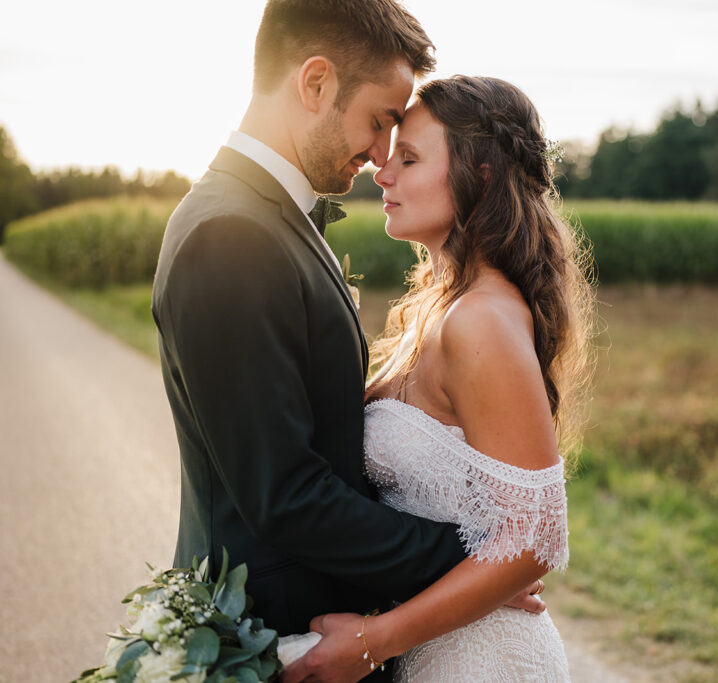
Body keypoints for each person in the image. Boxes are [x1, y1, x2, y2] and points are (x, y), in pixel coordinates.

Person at [152, 2, 543, 681]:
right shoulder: (231, 234)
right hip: (265, 633)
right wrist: (476, 566)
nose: (380, 155)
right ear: (315, 84)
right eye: (381, 121)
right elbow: (288, 493)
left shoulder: (270, 221)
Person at [281, 75, 594, 681]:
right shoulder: (443, 307)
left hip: (485, 660)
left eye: (410, 157)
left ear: (478, 177)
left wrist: (373, 640)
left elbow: (533, 542)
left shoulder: (480, 321)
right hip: (439, 647)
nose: (382, 173)